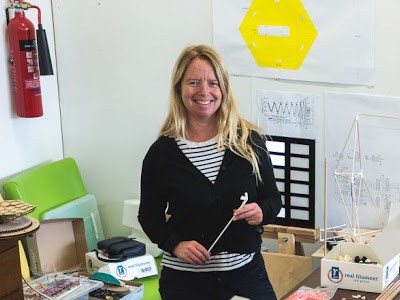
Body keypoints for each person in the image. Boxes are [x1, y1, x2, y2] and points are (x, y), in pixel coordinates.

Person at [138, 44, 282, 300]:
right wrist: (175, 245)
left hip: (246, 278)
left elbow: (273, 200)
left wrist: (261, 212)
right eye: (193, 82)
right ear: (179, 88)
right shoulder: (162, 153)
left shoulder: (249, 141)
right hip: (186, 284)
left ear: (223, 89)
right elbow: (148, 216)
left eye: (213, 83)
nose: (204, 92)